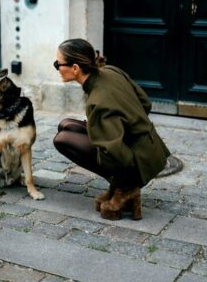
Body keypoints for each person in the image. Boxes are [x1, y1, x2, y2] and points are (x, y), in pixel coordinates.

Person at [52, 38, 170, 220]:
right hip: (152, 146)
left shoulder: (98, 101)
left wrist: (123, 181)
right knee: (66, 125)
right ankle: (122, 185)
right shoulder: (111, 70)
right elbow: (145, 103)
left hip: (139, 163)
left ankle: (126, 188)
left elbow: (114, 151)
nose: (57, 68)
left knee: (63, 140)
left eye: (57, 64)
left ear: (75, 68)